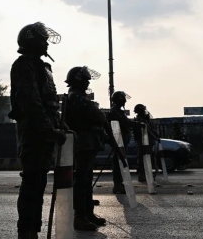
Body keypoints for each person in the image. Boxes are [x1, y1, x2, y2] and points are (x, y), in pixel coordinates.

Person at [9, 22, 68, 239]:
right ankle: (26, 232)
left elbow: (50, 104)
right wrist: (49, 130)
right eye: (43, 39)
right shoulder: (24, 65)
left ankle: (34, 228)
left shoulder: (44, 68)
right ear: (32, 40)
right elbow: (31, 103)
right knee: (31, 185)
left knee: (39, 184)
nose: (46, 44)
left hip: (45, 133)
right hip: (33, 134)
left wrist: (61, 126)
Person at [64, 66, 107, 231]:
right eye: (86, 79)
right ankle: (80, 216)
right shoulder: (76, 97)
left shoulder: (78, 97)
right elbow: (97, 115)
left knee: (86, 180)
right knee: (82, 181)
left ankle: (88, 213)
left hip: (87, 143)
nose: (88, 82)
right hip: (83, 143)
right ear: (78, 80)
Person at [107, 90, 141, 194]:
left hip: (121, 141)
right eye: (123, 99)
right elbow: (125, 122)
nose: (125, 101)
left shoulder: (117, 111)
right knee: (118, 163)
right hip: (119, 142)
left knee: (120, 163)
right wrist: (137, 124)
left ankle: (119, 184)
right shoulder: (115, 111)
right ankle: (117, 185)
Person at [134, 103, 159, 182]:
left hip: (147, 142)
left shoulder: (144, 120)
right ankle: (143, 175)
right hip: (144, 142)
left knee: (148, 158)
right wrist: (155, 137)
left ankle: (147, 175)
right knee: (144, 159)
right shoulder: (140, 121)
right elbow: (148, 131)